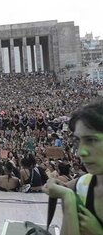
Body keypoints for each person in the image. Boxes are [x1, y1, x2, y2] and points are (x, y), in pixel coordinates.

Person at [43, 101, 103, 235]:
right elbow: (61, 187)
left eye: (91, 140)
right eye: (78, 141)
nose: (81, 151)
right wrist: (68, 199)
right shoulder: (82, 186)